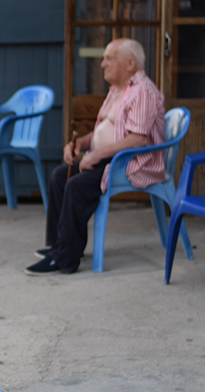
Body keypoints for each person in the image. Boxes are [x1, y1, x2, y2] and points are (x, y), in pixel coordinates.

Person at [26, 38, 166, 275]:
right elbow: (107, 130)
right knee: (60, 176)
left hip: (132, 163)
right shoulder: (118, 90)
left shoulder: (143, 92)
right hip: (112, 158)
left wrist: (97, 154)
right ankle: (60, 245)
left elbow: (137, 140)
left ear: (130, 63)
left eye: (110, 58)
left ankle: (65, 259)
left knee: (77, 186)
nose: (103, 64)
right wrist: (81, 143)